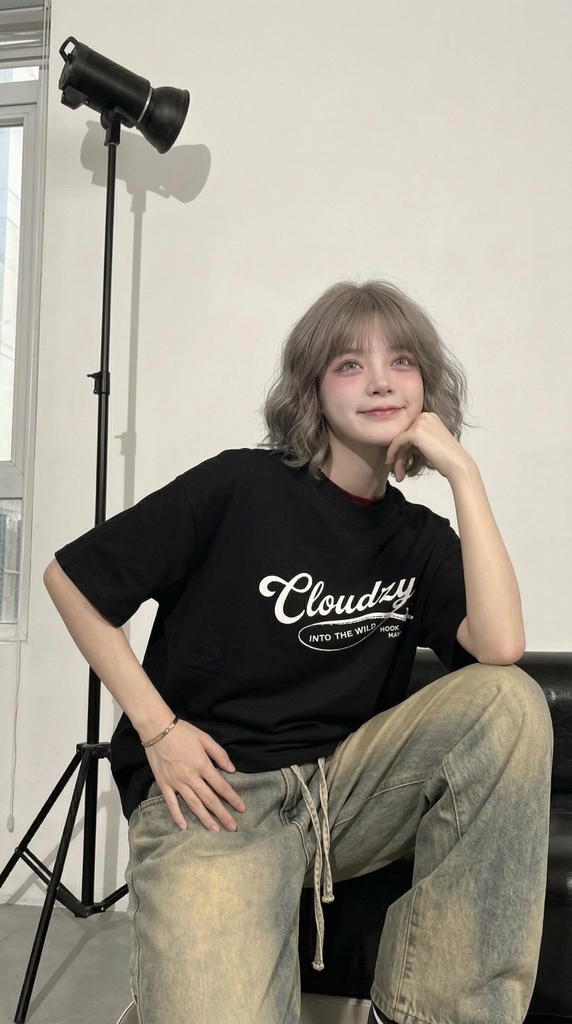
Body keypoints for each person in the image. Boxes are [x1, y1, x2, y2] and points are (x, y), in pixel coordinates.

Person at [44, 279, 553, 1024]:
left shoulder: (417, 539)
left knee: (509, 701)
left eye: (402, 361)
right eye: (350, 364)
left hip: (340, 796)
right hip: (216, 802)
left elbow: (501, 648)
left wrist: (464, 476)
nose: (380, 380)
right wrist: (158, 730)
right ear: (312, 390)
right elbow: (72, 579)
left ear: (427, 388)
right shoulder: (240, 485)